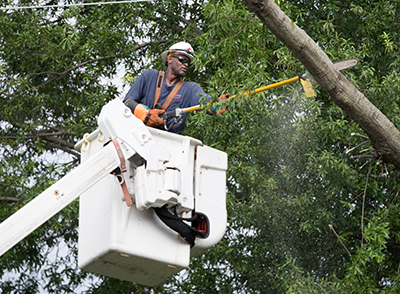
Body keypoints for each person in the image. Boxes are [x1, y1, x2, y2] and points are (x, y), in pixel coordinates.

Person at [123, 42, 231, 134]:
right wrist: (146, 116)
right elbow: (127, 102)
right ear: (170, 59)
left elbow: (208, 106)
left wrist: (220, 104)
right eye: (182, 60)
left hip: (169, 143)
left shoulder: (190, 89)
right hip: (139, 135)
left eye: (188, 63)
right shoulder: (150, 76)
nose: (186, 65)